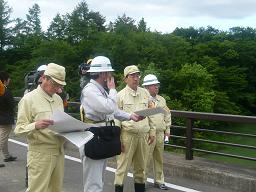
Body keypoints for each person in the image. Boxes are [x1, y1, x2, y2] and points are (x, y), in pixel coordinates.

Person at [80, 56, 142, 192]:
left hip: (100, 136)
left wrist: (131, 116)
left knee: (99, 179)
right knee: (93, 182)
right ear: (102, 74)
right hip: (93, 136)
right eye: (108, 73)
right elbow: (108, 107)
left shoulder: (99, 90)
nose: (110, 76)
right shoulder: (90, 90)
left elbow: (112, 110)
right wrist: (113, 89)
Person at [14, 63, 67, 192]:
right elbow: (18, 129)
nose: (58, 88)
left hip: (59, 151)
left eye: (60, 85)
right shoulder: (28, 99)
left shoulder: (58, 99)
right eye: (55, 84)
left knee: (56, 189)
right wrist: (35, 125)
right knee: (37, 189)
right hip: (40, 153)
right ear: (44, 78)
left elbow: (61, 123)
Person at [114, 65, 156, 192]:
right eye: (132, 76)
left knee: (141, 169)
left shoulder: (145, 93)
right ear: (125, 78)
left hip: (143, 135)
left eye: (137, 75)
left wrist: (152, 131)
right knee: (122, 168)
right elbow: (116, 119)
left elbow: (151, 113)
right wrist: (117, 140)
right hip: (127, 135)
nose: (136, 78)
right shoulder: (119, 95)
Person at [143, 74, 171, 190]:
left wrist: (167, 129)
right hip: (148, 133)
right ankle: (142, 182)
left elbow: (167, 114)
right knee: (146, 158)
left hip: (160, 133)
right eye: (154, 85)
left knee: (159, 158)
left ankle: (159, 181)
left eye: (157, 85)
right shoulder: (143, 100)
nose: (157, 87)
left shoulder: (162, 99)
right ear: (147, 87)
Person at [0, 71, 17, 168]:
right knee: (2, 139)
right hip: (5, 119)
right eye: (8, 78)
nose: (10, 80)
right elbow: (12, 105)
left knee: (3, 138)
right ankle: (6, 156)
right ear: (5, 80)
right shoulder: (5, 91)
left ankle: (7, 156)